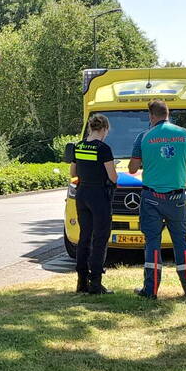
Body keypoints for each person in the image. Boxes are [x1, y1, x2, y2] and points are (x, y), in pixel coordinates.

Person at [128, 100, 186, 299]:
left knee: (152, 243)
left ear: (151, 116)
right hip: (177, 198)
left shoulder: (143, 137)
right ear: (168, 113)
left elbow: (132, 168)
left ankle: (151, 290)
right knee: (181, 243)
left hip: (152, 198)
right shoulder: (185, 134)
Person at [70, 114, 118, 294]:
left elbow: (73, 173)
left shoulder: (79, 146)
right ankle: (96, 282)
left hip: (82, 194)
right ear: (104, 129)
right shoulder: (103, 148)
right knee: (100, 238)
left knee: (84, 237)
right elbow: (113, 177)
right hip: (99, 195)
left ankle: (81, 281)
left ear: (90, 128)